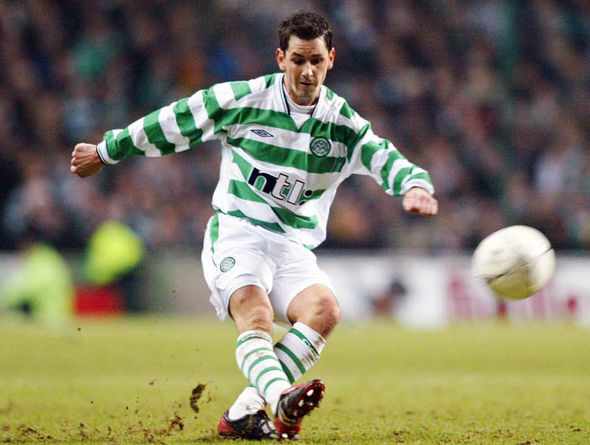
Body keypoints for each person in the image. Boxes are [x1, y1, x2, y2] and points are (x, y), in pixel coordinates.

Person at [71, 11, 438, 440]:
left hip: (293, 247)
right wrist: (107, 151)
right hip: (238, 233)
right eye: (298, 60)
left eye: (316, 61)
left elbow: (384, 156)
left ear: (331, 59)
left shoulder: (343, 125)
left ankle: (244, 412)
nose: (307, 71)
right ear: (281, 58)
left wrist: (414, 185)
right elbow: (177, 120)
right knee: (256, 312)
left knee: (325, 311)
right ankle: (281, 397)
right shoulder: (244, 99)